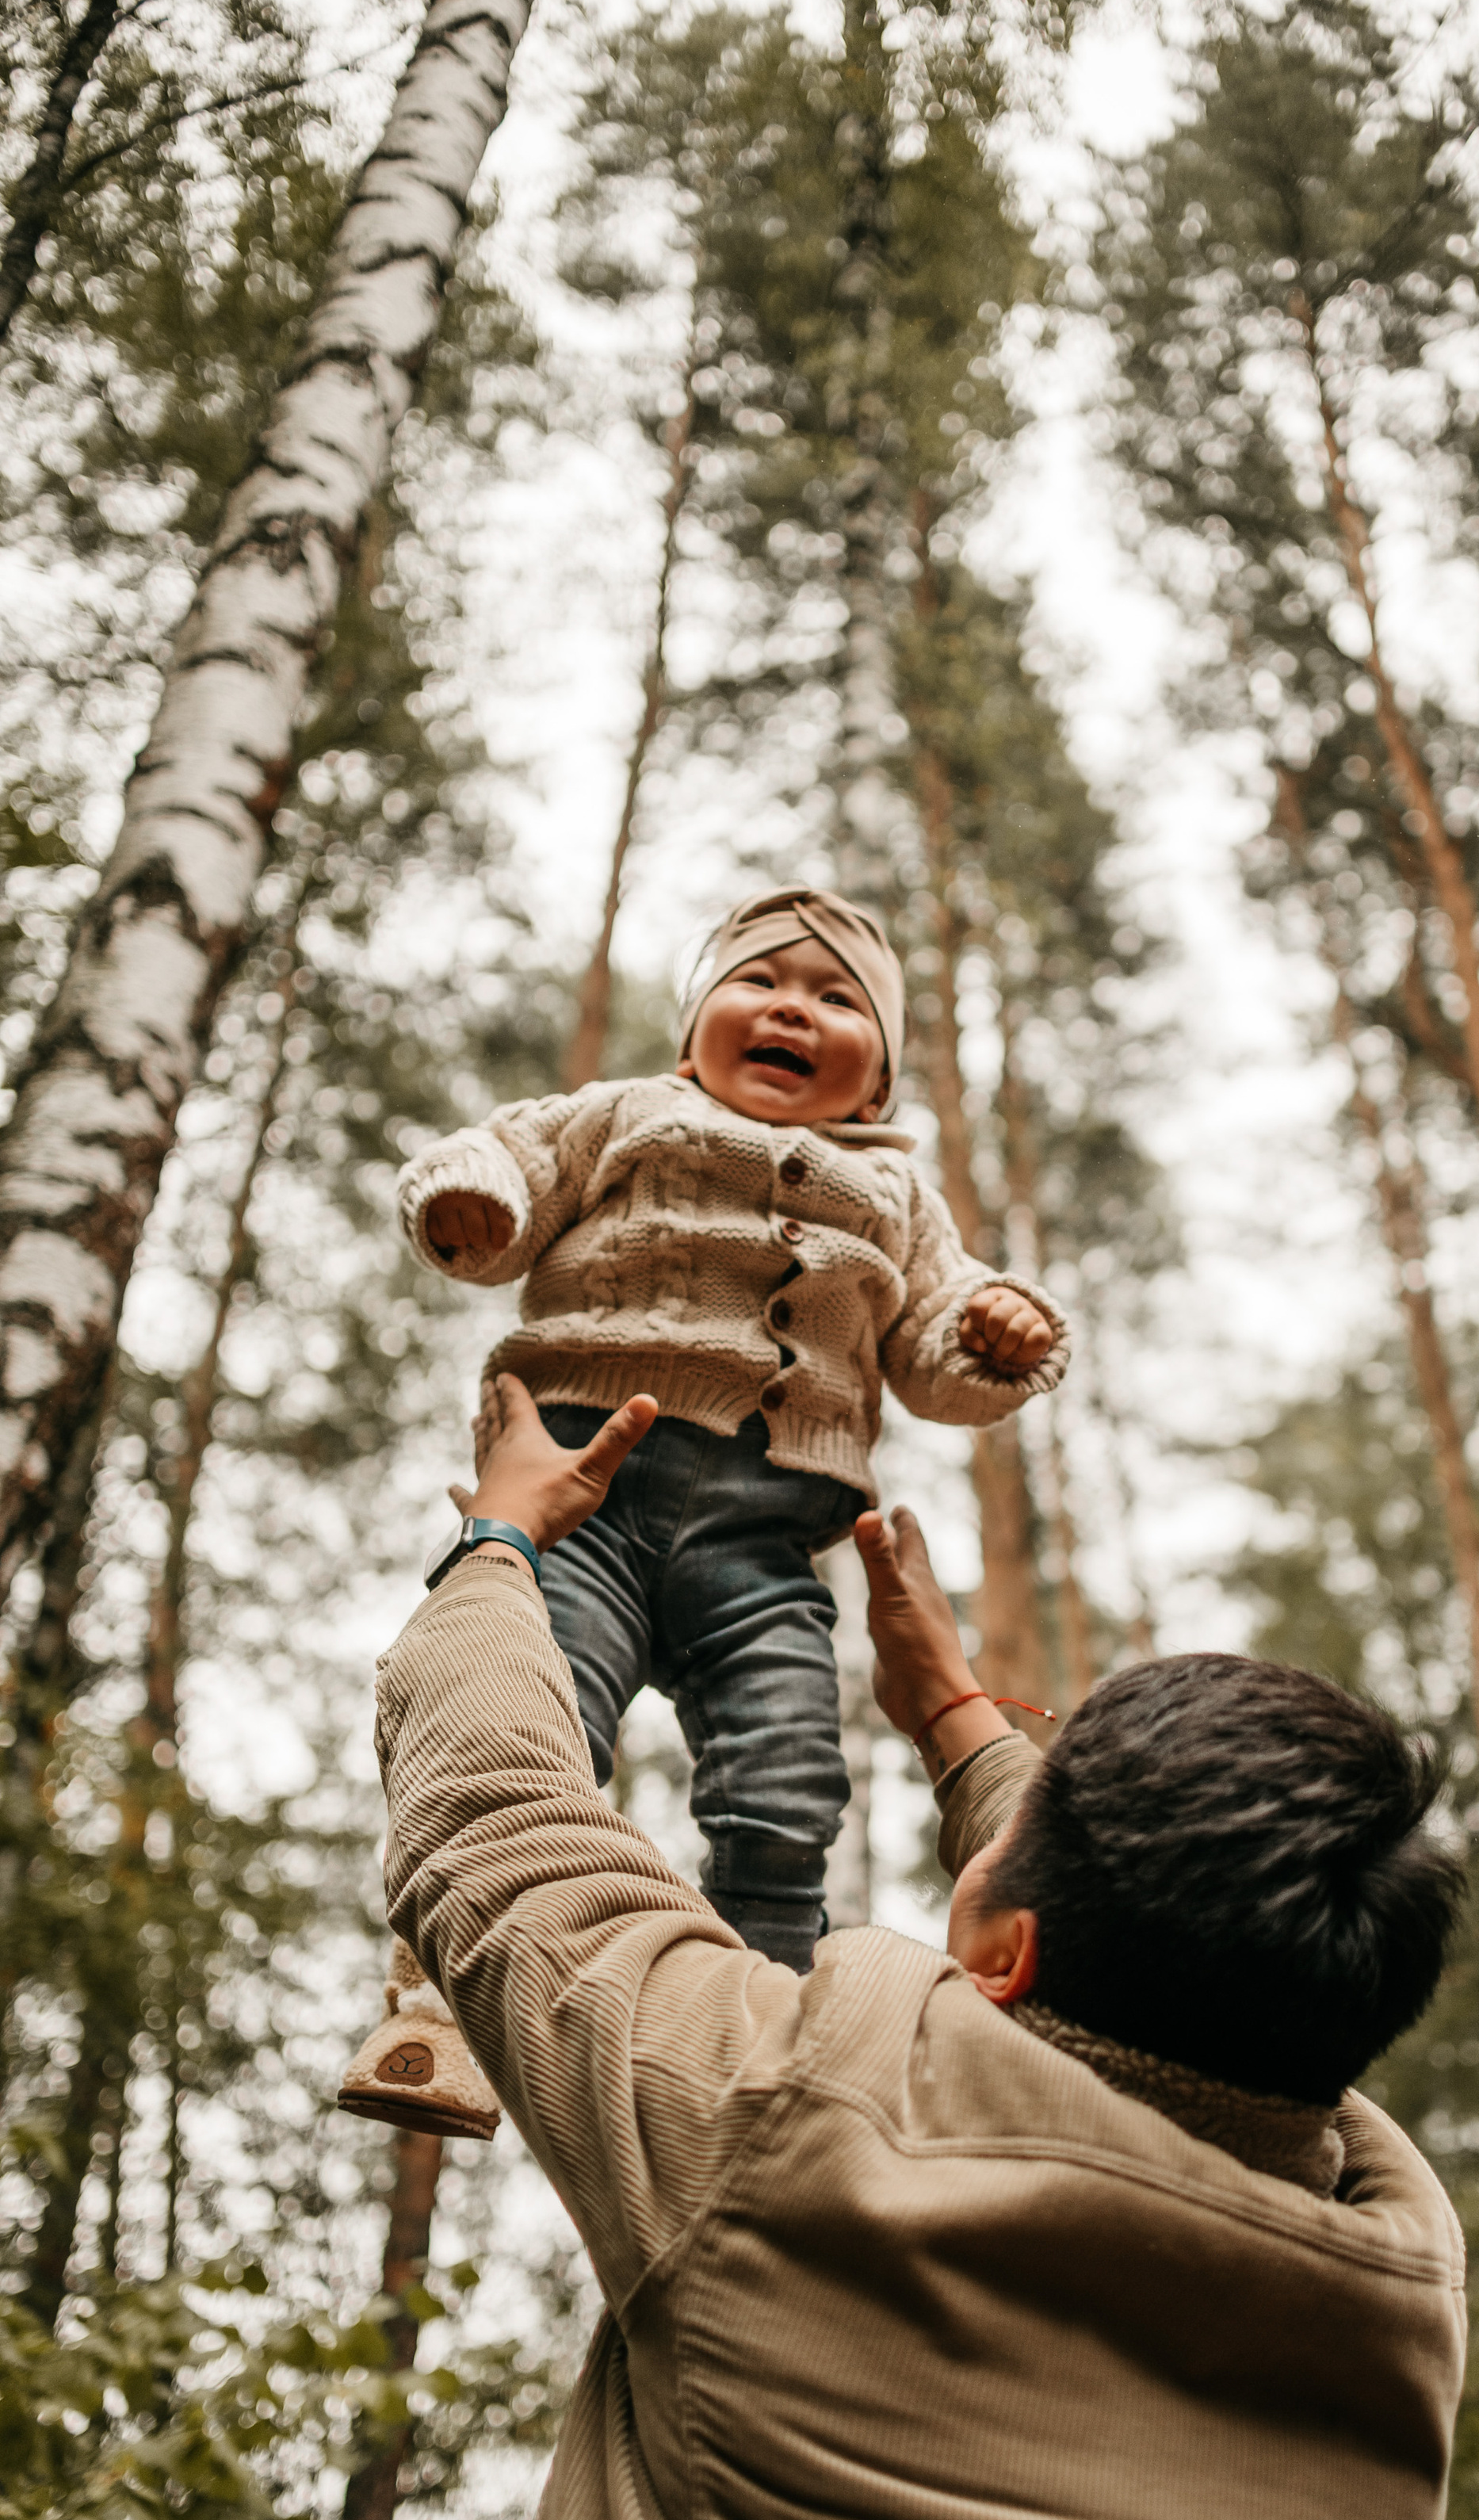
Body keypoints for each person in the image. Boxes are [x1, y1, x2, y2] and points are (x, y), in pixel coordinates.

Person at [370, 1386, 1467, 2520]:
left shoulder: (776, 2121)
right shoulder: (1396, 2257)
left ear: (1002, 1948)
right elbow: (1186, 1994)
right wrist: (963, 1723)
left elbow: (491, 1821)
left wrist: (498, 1544)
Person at [339, 884, 1066, 2136]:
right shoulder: (630, 1115)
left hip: (766, 1542)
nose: (793, 1007)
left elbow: (941, 1345)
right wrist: (472, 1204)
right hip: (584, 1492)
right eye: (760, 983)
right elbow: (508, 1161)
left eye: (837, 1001)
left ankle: (768, 2034)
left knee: (790, 1787)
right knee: (528, 1724)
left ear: (876, 1087)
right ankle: (439, 2011)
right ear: (691, 1037)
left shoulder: (900, 1197)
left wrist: (996, 1334)